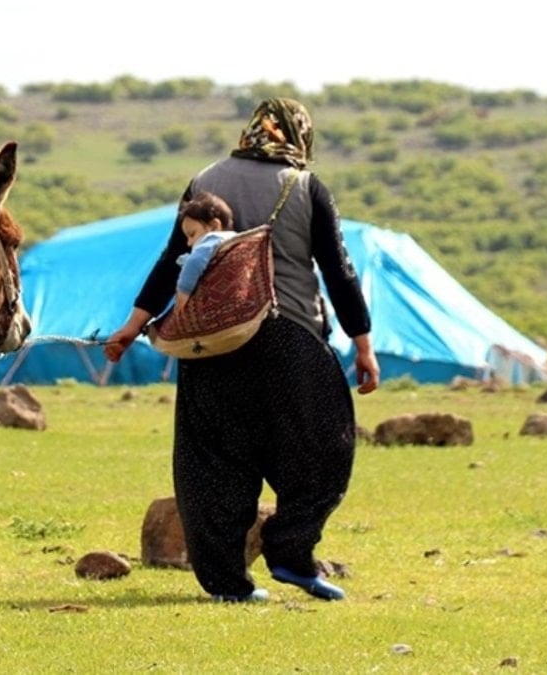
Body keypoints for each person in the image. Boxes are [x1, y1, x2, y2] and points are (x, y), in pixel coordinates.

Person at [104, 97, 380, 603]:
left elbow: (172, 261)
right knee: (324, 447)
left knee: (212, 461)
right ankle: (291, 552)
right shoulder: (305, 186)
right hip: (289, 336)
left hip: (211, 342)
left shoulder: (203, 180)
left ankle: (227, 582)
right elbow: (338, 270)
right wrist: (363, 345)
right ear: (299, 136)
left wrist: (132, 325)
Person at [173, 192, 235, 312]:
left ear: (214, 226)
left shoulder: (213, 239)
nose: (189, 243)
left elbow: (194, 261)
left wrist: (181, 299)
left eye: (192, 234)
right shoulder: (236, 238)